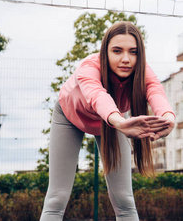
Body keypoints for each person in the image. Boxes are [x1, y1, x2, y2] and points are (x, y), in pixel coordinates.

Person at [40, 21, 175, 221]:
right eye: (117, 51)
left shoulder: (143, 71)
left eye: (133, 52)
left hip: (114, 122)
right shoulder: (89, 67)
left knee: (125, 200)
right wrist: (119, 122)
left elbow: (156, 92)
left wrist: (169, 119)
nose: (126, 59)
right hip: (71, 116)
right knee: (56, 199)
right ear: (106, 52)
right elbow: (97, 96)